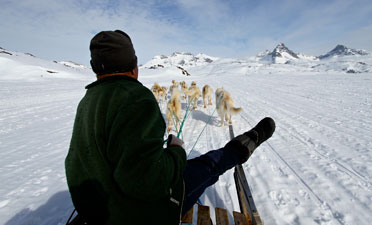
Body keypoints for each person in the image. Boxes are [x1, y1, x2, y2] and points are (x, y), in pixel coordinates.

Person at [65, 30, 275, 225]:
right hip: (142, 213)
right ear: (134, 66)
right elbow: (146, 182)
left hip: (96, 211)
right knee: (209, 165)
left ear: (95, 69)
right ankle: (242, 146)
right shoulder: (136, 98)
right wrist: (176, 150)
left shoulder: (88, 101)